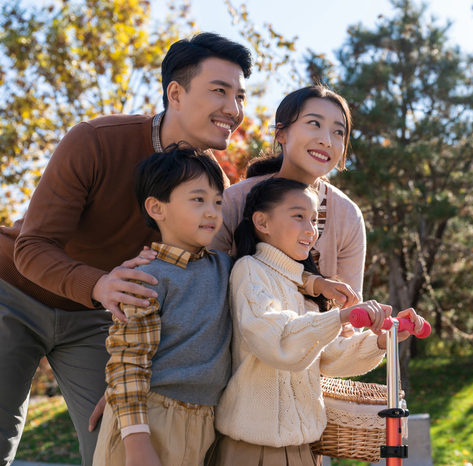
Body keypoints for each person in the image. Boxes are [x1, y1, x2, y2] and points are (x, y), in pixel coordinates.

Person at [0, 32, 251, 465]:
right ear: (175, 92)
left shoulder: (213, 188)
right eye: (220, 91)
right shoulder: (95, 141)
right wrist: (98, 284)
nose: (234, 109)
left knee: (112, 442)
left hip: (99, 318)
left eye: (240, 96)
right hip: (15, 292)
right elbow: (33, 246)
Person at [210, 178, 425, 465]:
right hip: (255, 449)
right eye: (299, 216)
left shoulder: (301, 288)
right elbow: (278, 341)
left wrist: (381, 340)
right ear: (262, 222)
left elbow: (326, 358)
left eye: (314, 220)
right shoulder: (250, 272)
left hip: (305, 450)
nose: (310, 230)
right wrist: (340, 316)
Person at [93, 144, 232, 466]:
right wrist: (137, 441)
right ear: (157, 208)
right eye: (198, 199)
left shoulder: (225, 267)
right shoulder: (147, 277)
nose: (212, 211)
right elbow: (128, 361)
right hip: (148, 420)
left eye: (218, 202)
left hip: (205, 420)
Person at [209, 85, 366, 304]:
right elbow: (204, 282)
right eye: (314, 124)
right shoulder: (234, 200)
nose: (327, 141)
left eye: (338, 132)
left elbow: (349, 313)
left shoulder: (348, 216)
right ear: (281, 133)